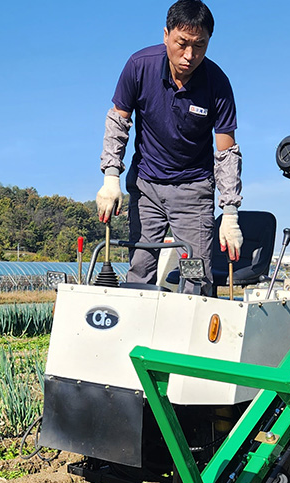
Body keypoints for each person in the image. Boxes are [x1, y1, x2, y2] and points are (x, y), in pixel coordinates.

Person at [96, 0, 241, 296]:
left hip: (193, 189)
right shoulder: (140, 66)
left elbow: (226, 152)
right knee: (140, 270)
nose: (189, 55)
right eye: (182, 43)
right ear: (166, 35)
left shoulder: (217, 83)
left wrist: (229, 212)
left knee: (196, 277)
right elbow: (118, 123)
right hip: (146, 185)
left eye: (199, 46)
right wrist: (111, 176)